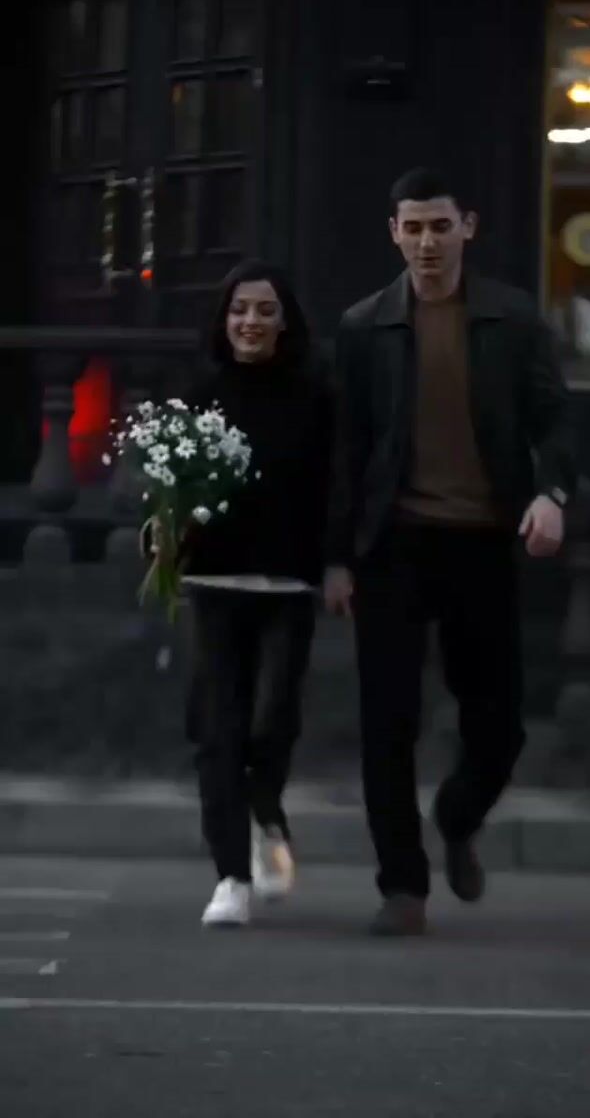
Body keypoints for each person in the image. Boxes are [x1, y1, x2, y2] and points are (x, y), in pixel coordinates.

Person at [325, 167, 576, 936]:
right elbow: (347, 450)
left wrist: (551, 493)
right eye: (413, 228)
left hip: (483, 539)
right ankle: (403, 887)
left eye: (440, 226)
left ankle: (458, 816)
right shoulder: (365, 326)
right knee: (388, 723)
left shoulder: (511, 318)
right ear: (393, 234)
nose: (427, 243)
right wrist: (337, 558)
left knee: (499, 724)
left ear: (468, 227)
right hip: (394, 541)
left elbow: (554, 419)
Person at [182, 259, 333, 928]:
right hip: (213, 580)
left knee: (273, 719)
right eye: (240, 310)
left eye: (265, 311)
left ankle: (266, 812)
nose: (251, 322)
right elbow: (166, 487)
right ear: (224, 319)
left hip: (288, 581)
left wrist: (339, 562)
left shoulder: (315, 397)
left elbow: (337, 486)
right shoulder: (199, 393)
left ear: (284, 323)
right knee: (219, 731)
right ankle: (231, 877)